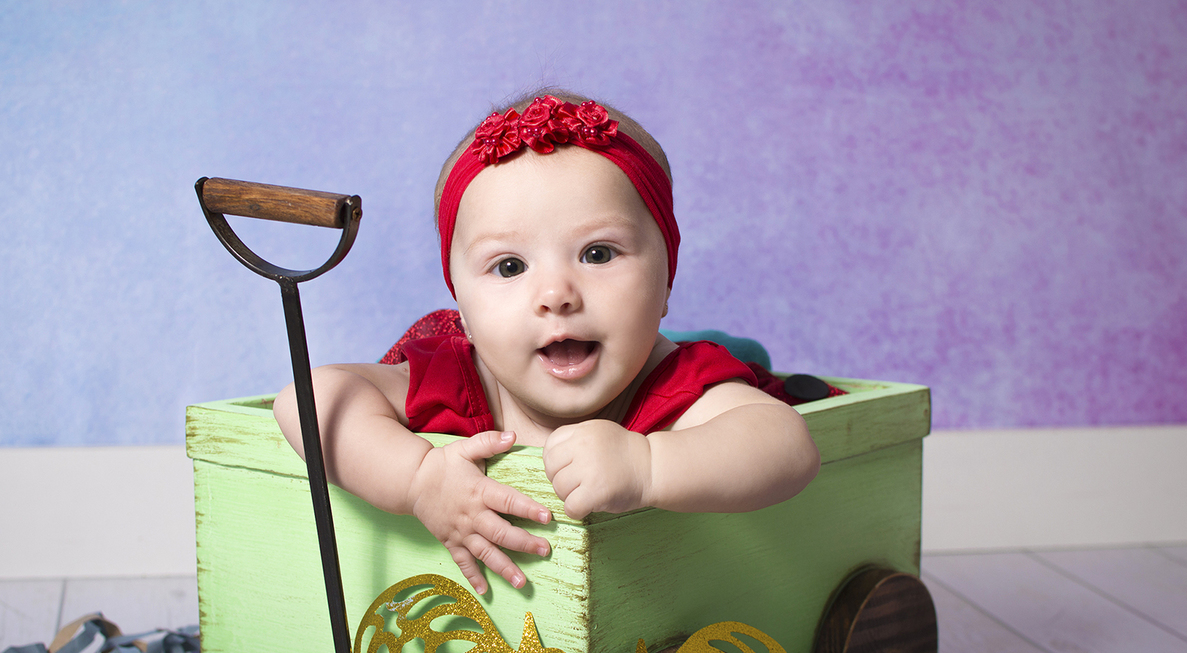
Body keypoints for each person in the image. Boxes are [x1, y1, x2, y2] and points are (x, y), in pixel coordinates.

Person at [274, 90, 820, 595]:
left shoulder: (677, 385)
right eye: (509, 266)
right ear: (462, 308)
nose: (556, 294)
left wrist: (649, 464)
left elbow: (786, 445)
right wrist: (418, 478)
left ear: (667, 278)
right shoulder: (458, 377)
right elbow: (306, 399)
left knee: (754, 369)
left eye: (598, 254)